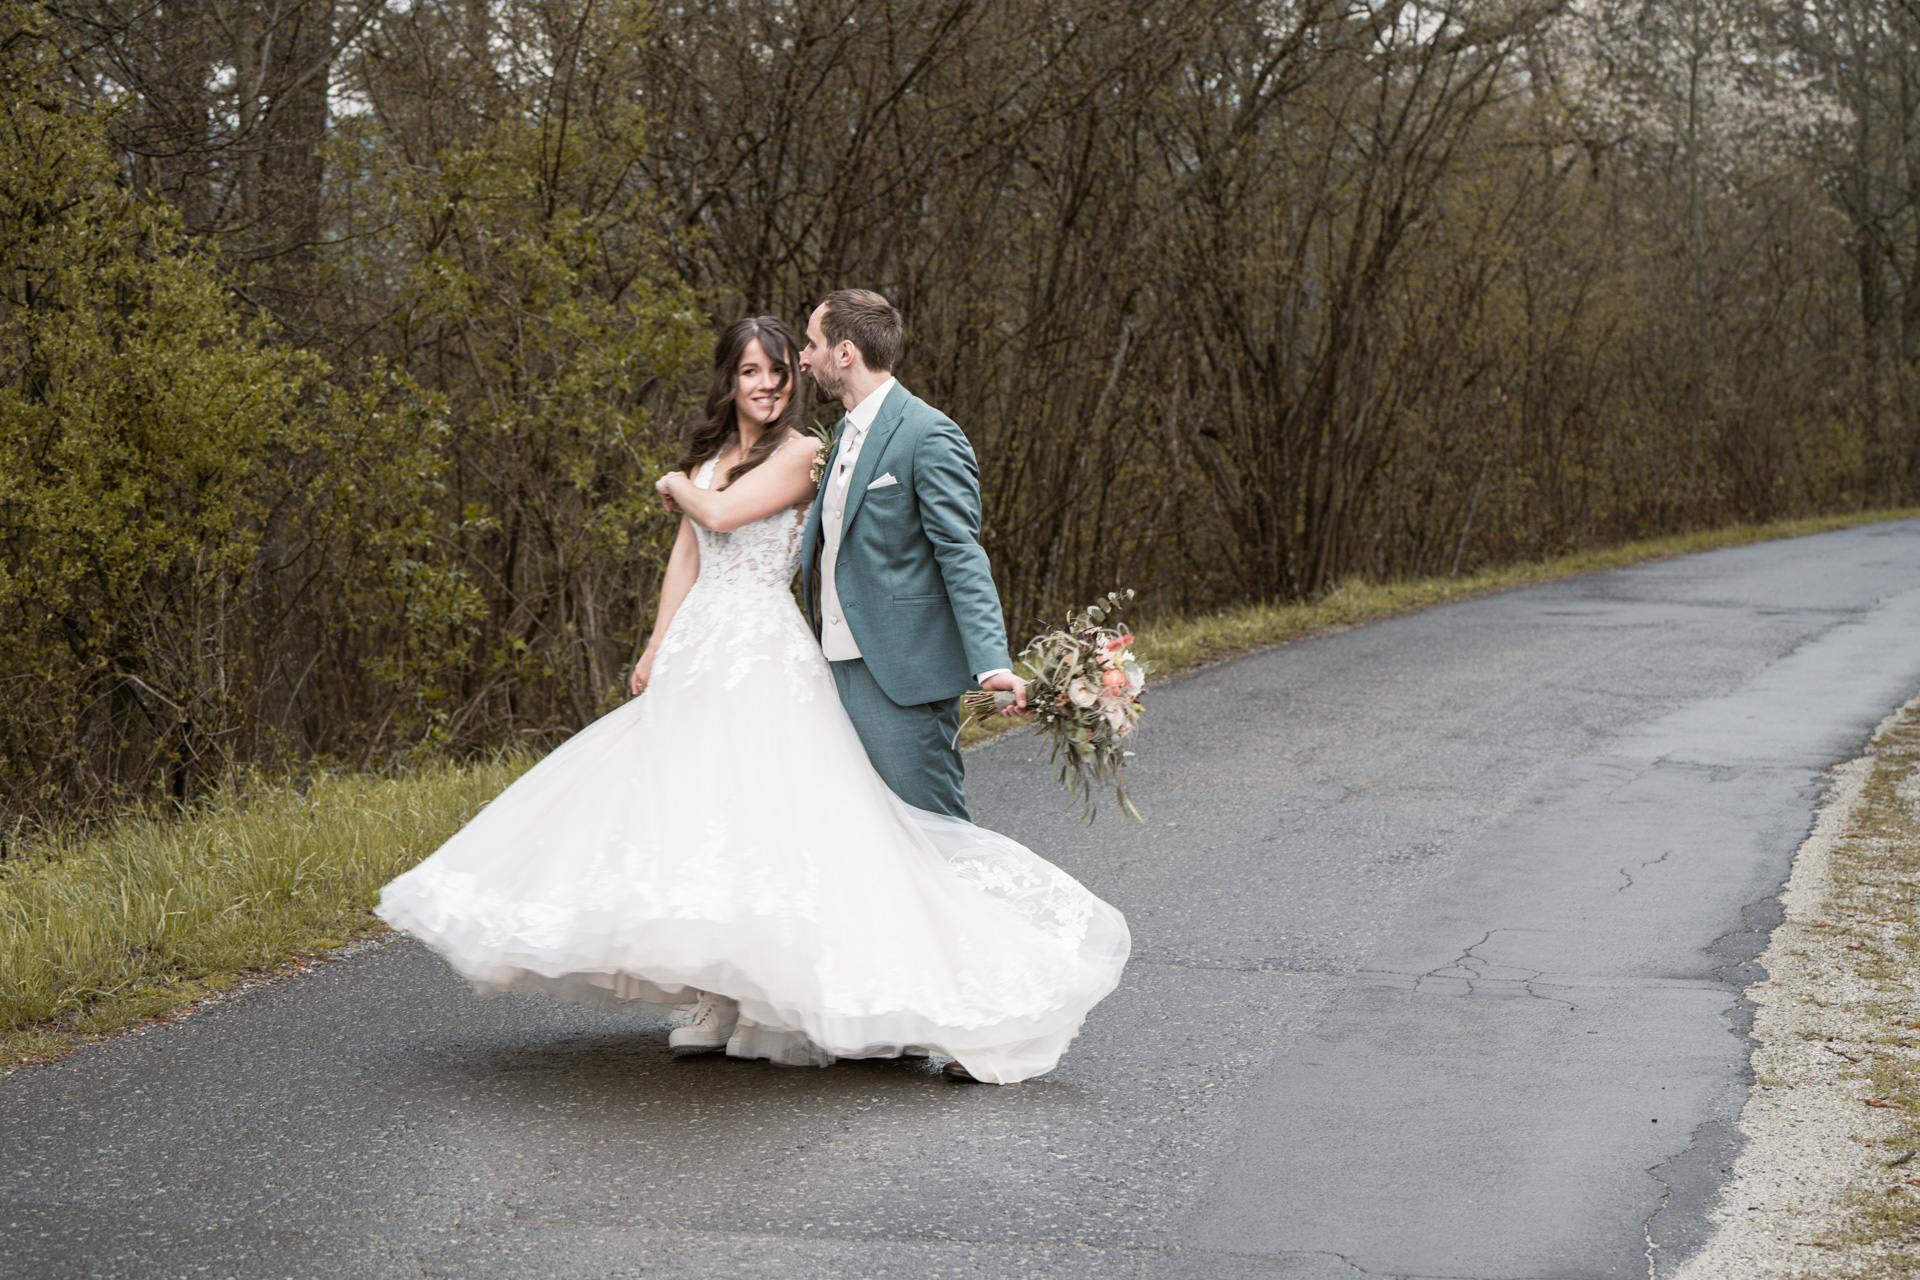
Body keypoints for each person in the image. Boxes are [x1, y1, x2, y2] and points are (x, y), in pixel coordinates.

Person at [376, 313, 1129, 1085]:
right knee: (694, 817)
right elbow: (688, 554)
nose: (771, 380)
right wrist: (657, 642)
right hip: (705, 649)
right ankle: (723, 995)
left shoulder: (809, 449)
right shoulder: (731, 452)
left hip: (770, 649)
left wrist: (672, 483)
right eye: (752, 371)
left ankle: (953, 999)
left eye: (783, 365)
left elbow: (728, 516)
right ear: (728, 380)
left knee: (839, 824)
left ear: (822, 363)